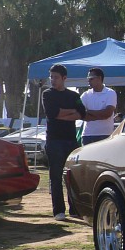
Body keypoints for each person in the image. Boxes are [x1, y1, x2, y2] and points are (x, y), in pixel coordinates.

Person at [42, 64, 86, 221]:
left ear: (64, 78)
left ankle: (75, 209)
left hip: (71, 141)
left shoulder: (74, 95)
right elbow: (51, 113)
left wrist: (62, 113)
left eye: (56, 77)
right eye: (51, 77)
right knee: (55, 176)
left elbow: (82, 113)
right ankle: (59, 211)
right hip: (54, 141)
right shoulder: (47, 94)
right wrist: (71, 111)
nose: (53, 80)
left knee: (72, 177)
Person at [80, 67, 117, 145]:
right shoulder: (85, 95)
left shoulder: (110, 93)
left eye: (91, 78)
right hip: (88, 135)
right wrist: (101, 115)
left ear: (99, 78)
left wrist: (89, 112)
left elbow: (108, 113)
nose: (88, 81)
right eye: (88, 79)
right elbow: (81, 114)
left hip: (106, 135)